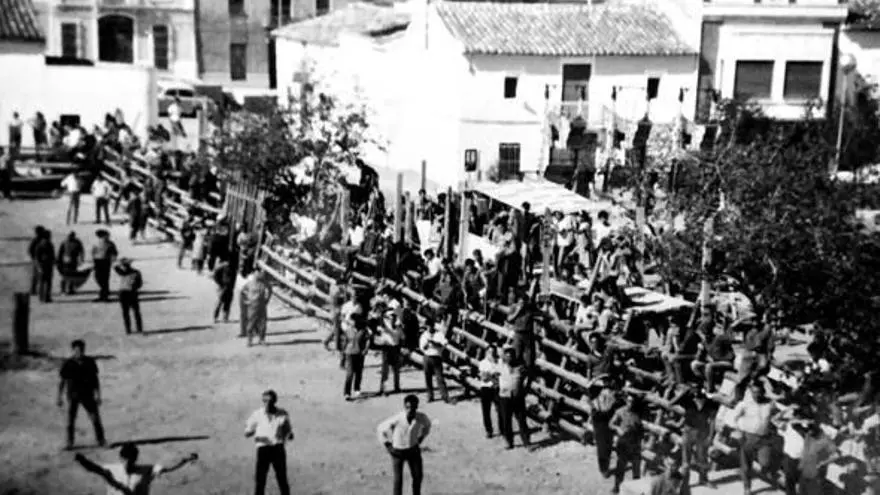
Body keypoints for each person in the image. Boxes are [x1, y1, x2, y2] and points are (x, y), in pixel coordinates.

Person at [74, 445, 198, 495]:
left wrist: (185, 459)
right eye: (125, 460)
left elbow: (168, 467)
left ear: (135, 460)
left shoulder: (146, 470)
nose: (127, 464)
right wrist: (82, 461)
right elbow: (94, 468)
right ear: (121, 458)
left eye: (130, 461)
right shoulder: (111, 469)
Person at [377, 394, 432, 495]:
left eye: (413, 407)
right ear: (404, 407)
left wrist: (420, 438)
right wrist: (388, 445)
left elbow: (427, 426)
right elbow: (380, 428)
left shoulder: (421, 417)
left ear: (416, 407)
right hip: (398, 452)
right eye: (407, 407)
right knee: (398, 480)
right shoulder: (398, 418)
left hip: (413, 450)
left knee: (418, 477)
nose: (410, 410)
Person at [731, 380, 779, 495]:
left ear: (763, 392)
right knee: (746, 465)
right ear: (750, 392)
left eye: (758, 392)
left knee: (765, 463)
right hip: (749, 437)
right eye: (754, 392)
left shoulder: (770, 404)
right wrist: (739, 432)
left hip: (764, 438)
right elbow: (734, 418)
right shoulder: (744, 404)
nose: (756, 395)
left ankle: (765, 471)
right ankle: (747, 488)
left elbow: (776, 417)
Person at [58, 339, 106, 449]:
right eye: (77, 350)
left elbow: (95, 380)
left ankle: (101, 440)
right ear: (73, 350)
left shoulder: (90, 362)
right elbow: (62, 381)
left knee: (95, 417)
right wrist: (59, 397)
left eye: (81, 350)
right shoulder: (68, 364)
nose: (79, 352)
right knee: (71, 420)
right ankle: (69, 442)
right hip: (73, 395)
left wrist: (98, 395)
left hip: (87, 394)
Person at [245, 390, 294, 495]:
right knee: (260, 480)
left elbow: (289, 431)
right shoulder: (257, 414)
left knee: (282, 478)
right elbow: (247, 432)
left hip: (278, 448)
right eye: (264, 401)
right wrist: (260, 435)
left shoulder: (282, 413)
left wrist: (287, 435)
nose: (266, 403)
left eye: (269, 401)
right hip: (263, 448)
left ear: (274, 401)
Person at [680, 387, 718, 488]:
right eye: (696, 397)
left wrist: (710, 436)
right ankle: (684, 483)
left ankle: (703, 479)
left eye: (700, 397)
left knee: (702, 457)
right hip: (688, 431)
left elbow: (712, 420)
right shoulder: (688, 401)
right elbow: (671, 403)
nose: (697, 399)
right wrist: (684, 392)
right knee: (686, 459)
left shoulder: (710, 404)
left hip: (702, 432)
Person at [610, 394, 644, 493]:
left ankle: (636, 489)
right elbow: (611, 424)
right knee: (621, 466)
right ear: (626, 401)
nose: (631, 403)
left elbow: (641, 429)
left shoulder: (637, 413)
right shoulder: (620, 411)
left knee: (636, 468)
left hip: (635, 444)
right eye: (629, 401)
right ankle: (617, 487)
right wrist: (618, 429)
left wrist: (641, 440)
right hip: (623, 443)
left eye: (632, 401)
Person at [498, 346, 530, 449]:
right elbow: (491, 374)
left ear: (514, 357)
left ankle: (526, 442)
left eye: (511, 356)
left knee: (522, 420)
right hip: (505, 397)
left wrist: (526, 389)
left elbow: (529, 376)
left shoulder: (520, 368)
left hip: (518, 397)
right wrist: (499, 385)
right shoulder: (500, 366)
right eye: (507, 356)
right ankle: (509, 442)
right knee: (506, 420)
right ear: (504, 357)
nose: (509, 358)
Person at [419, 320, 449, 403]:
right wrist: (427, 344)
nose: (429, 328)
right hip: (427, 357)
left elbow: (444, 344)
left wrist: (433, 342)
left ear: (433, 326)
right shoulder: (424, 335)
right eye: (428, 326)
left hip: (436, 357)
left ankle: (445, 396)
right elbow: (422, 348)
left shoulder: (439, 334)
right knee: (428, 378)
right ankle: (430, 396)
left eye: (431, 326)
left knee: (440, 378)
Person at [240, 271, 273, 346]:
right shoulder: (249, 284)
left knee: (263, 323)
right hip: (252, 306)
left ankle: (262, 339)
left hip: (262, 306)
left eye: (260, 275)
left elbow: (270, 290)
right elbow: (242, 292)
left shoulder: (264, 283)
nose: (258, 277)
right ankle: (249, 340)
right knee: (251, 323)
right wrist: (246, 301)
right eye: (257, 275)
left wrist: (267, 300)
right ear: (254, 276)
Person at [343, 313, 371, 400]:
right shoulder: (348, 330)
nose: (350, 322)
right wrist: (343, 353)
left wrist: (366, 349)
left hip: (360, 353)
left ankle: (357, 389)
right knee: (350, 373)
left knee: (359, 372)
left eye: (352, 320)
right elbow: (345, 341)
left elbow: (368, 340)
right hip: (349, 353)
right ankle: (347, 393)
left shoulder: (363, 330)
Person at [478, 345, 502, 438]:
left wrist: (490, 374)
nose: (491, 354)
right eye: (490, 352)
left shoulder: (499, 362)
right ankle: (489, 430)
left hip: (497, 388)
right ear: (486, 353)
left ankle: (502, 429)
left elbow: (502, 374)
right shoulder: (482, 363)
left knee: (500, 409)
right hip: (486, 388)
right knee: (486, 411)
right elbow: (484, 378)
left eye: (493, 352)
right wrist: (494, 374)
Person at [115, 258, 144, 334]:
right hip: (132, 293)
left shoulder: (121, 272)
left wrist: (120, 264)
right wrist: (134, 287)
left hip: (123, 293)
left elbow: (116, 267)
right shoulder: (136, 272)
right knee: (136, 312)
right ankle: (139, 328)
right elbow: (140, 284)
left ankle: (128, 330)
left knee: (125, 313)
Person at [92, 229, 118, 302]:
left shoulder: (110, 243)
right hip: (97, 261)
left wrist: (113, 258)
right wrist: (93, 260)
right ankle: (104, 294)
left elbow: (115, 252)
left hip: (106, 261)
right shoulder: (96, 243)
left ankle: (104, 296)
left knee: (105, 279)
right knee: (98, 278)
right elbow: (93, 252)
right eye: (107, 235)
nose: (108, 236)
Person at [34, 228, 55, 302]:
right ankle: (47, 297)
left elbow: (36, 257)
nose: (50, 236)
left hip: (43, 265)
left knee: (42, 282)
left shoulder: (40, 244)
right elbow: (52, 255)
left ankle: (41, 297)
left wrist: (38, 266)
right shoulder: (49, 244)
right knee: (48, 282)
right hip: (47, 266)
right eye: (49, 235)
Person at [213, 258, 236, 323]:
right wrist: (220, 283)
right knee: (219, 302)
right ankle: (215, 317)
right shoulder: (222, 267)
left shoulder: (233, 268)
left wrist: (232, 287)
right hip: (222, 287)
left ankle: (225, 318)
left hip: (230, 288)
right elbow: (215, 275)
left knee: (228, 302)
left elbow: (234, 278)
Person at [28, 226, 47, 295]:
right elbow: (30, 250)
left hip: (39, 260)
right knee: (37, 275)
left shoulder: (38, 240)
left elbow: (30, 250)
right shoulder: (37, 240)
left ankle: (35, 290)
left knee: (36, 276)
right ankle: (35, 290)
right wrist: (34, 258)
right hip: (38, 260)